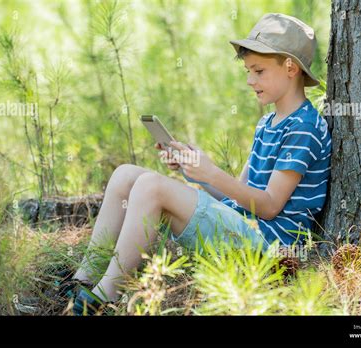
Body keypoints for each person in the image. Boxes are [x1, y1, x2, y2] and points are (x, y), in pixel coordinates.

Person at [68, 12, 331, 315]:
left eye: (258, 71)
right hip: (242, 227)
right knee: (126, 175)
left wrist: (213, 174)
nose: (249, 80)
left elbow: (270, 206)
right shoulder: (268, 123)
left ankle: (103, 297)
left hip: (268, 250)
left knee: (152, 187)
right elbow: (241, 193)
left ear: (290, 68)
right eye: (248, 71)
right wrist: (193, 171)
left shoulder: (304, 126)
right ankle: (83, 281)